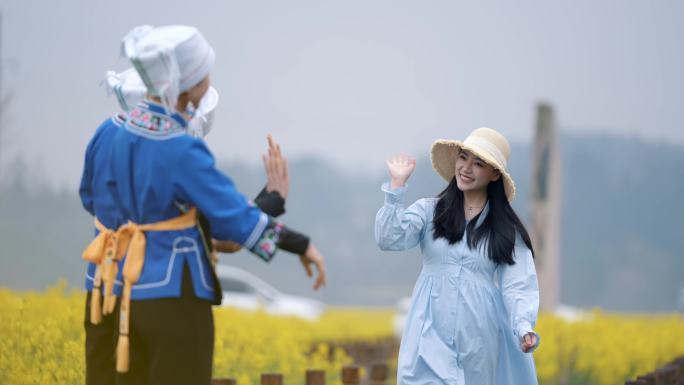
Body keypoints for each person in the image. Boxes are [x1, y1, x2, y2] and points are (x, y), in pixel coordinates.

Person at [81, 24, 326, 385]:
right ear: (191, 85)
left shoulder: (107, 131)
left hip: (105, 291)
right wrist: (300, 244)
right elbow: (231, 222)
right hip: (170, 299)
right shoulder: (180, 146)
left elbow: (89, 198)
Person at [375, 127, 540, 385]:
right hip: (428, 330)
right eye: (463, 158)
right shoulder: (429, 211)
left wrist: (523, 326)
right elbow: (389, 238)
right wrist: (396, 187)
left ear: (494, 174)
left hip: (479, 336)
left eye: (478, 164)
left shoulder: (506, 230)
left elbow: (518, 284)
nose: (466, 168)